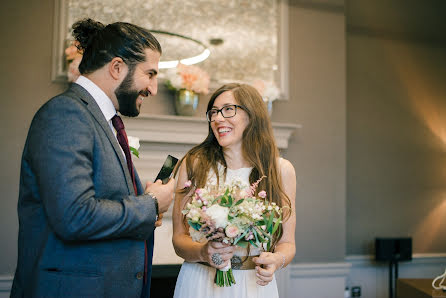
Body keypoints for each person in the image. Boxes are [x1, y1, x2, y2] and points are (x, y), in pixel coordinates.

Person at [11, 18, 175, 298]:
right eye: (150, 74)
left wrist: (144, 204)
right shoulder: (65, 114)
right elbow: (74, 216)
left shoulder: (102, 120)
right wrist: (149, 204)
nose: (154, 88)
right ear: (117, 67)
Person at [172, 83, 296, 297]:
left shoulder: (280, 170)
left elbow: (287, 243)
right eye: (213, 112)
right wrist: (203, 251)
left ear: (252, 114)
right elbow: (179, 239)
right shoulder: (194, 163)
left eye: (228, 109)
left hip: (253, 286)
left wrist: (277, 260)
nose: (218, 118)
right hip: (201, 282)